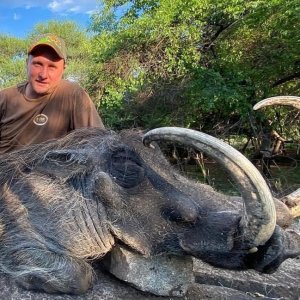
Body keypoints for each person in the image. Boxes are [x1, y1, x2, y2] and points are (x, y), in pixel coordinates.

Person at [0, 33, 104, 154]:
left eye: (52, 67)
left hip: (51, 171)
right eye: (37, 64)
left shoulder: (74, 95)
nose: (43, 75)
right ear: (26, 64)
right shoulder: (4, 98)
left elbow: (98, 145)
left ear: (63, 69)